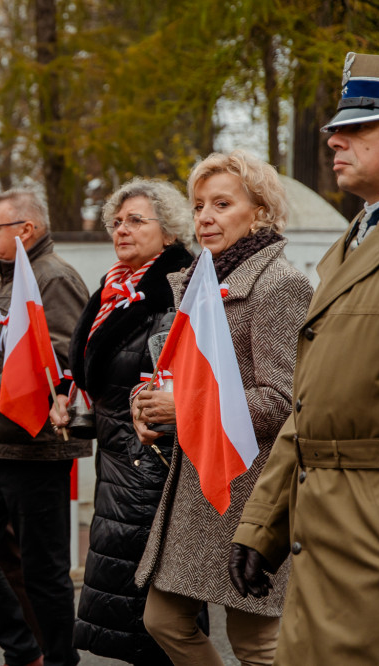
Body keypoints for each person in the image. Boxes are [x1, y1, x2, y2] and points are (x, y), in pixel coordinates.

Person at [229, 52, 379, 665]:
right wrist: (262, 525)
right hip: (325, 528)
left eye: (359, 128)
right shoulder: (355, 238)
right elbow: (307, 404)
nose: (334, 139)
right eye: (335, 127)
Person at [131, 151, 313, 665]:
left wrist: (184, 410)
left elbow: (284, 400)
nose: (204, 217)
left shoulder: (280, 285)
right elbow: (173, 371)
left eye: (222, 204)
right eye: (198, 205)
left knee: (255, 642)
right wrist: (147, 405)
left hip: (250, 489)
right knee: (162, 621)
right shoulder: (199, 281)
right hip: (197, 486)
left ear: (259, 211)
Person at [50, 178, 193, 664]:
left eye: (136, 220)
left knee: (153, 615)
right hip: (119, 460)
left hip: (152, 463)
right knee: (132, 612)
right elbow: (94, 366)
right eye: (116, 221)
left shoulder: (175, 289)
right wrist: (70, 397)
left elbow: (176, 378)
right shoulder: (115, 288)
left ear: (169, 232)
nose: (121, 230)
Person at [0, 189, 90, 666]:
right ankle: (23, 650)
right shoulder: (0, 279)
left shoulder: (54, 278)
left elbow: (67, 361)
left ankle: (57, 659)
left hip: (33, 448)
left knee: (44, 569)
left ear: (26, 230)